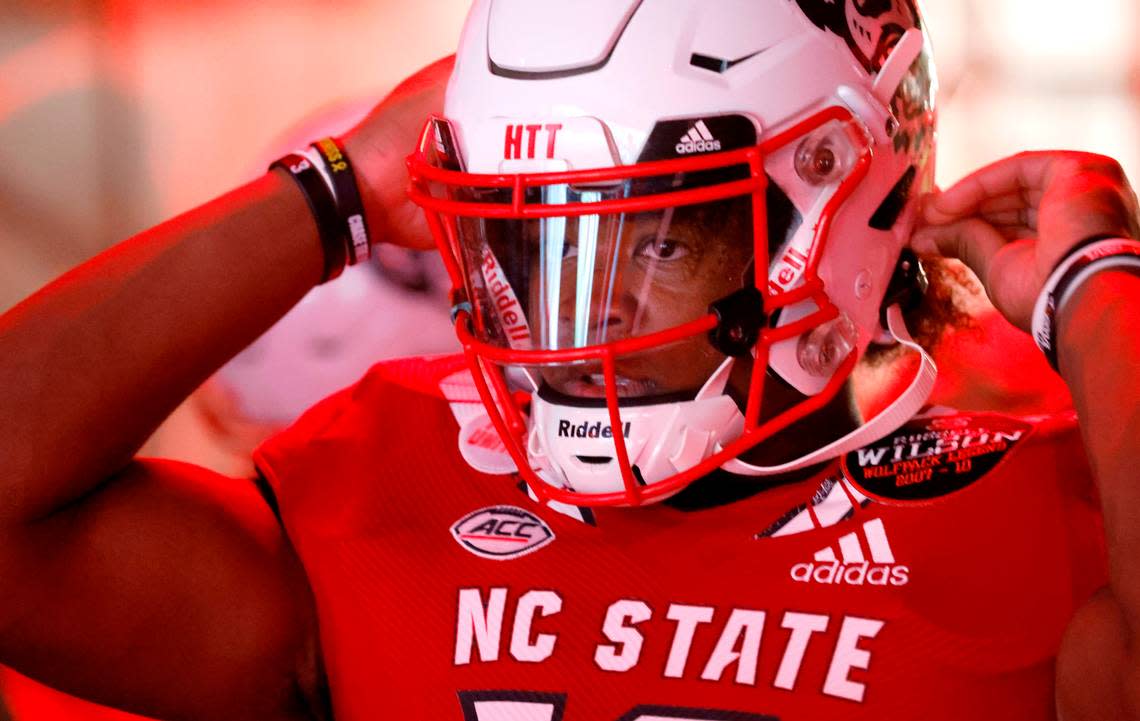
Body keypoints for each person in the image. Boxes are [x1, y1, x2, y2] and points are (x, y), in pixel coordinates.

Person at [0, 2, 1138, 720]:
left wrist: (1099, 294)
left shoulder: (1041, 517)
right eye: (527, 237)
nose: (574, 308)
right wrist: (331, 193)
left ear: (834, 197)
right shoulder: (394, 474)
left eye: (654, 237)